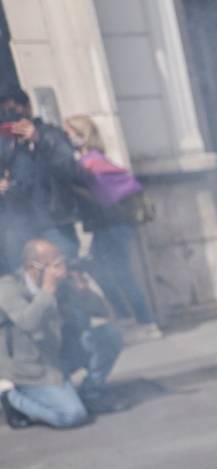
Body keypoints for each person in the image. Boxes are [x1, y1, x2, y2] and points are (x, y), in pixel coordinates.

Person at [0, 237, 122, 429]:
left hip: (60, 356)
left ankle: (90, 393)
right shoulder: (8, 287)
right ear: (35, 266)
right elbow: (28, 323)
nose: (61, 268)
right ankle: (13, 399)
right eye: (56, 263)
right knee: (72, 415)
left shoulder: (62, 284)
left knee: (109, 335)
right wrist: (47, 290)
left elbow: (105, 312)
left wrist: (84, 292)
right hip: (32, 368)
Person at [63, 114, 160, 338]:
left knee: (120, 273)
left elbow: (101, 195)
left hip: (114, 224)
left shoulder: (91, 162)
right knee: (103, 270)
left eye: (68, 133)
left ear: (81, 135)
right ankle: (128, 318)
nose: (66, 138)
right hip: (109, 225)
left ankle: (146, 323)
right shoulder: (92, 159)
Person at [0, 87, 81, 271]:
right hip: (18, 225)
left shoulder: (50, 134)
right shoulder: (5, 143)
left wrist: (38, 139)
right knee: (24, 278)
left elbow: (68, 168)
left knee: (65, 274)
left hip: (53, 222)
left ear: (27, 107)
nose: (10, 116)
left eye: (14, 109)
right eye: (4, 111)